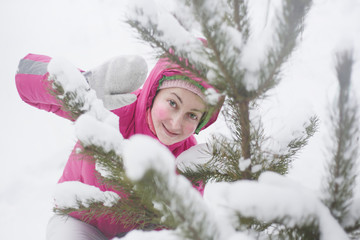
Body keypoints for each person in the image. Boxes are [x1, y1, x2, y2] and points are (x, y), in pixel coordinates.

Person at [15, 51, 223, 239]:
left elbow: (176, 232)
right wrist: (85, 87)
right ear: (154, 92)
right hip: (79, 222)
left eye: (192, 115)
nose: (176, 123)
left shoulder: (190, 159)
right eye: (172, 103)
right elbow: (25, 73)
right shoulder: (116, 106)